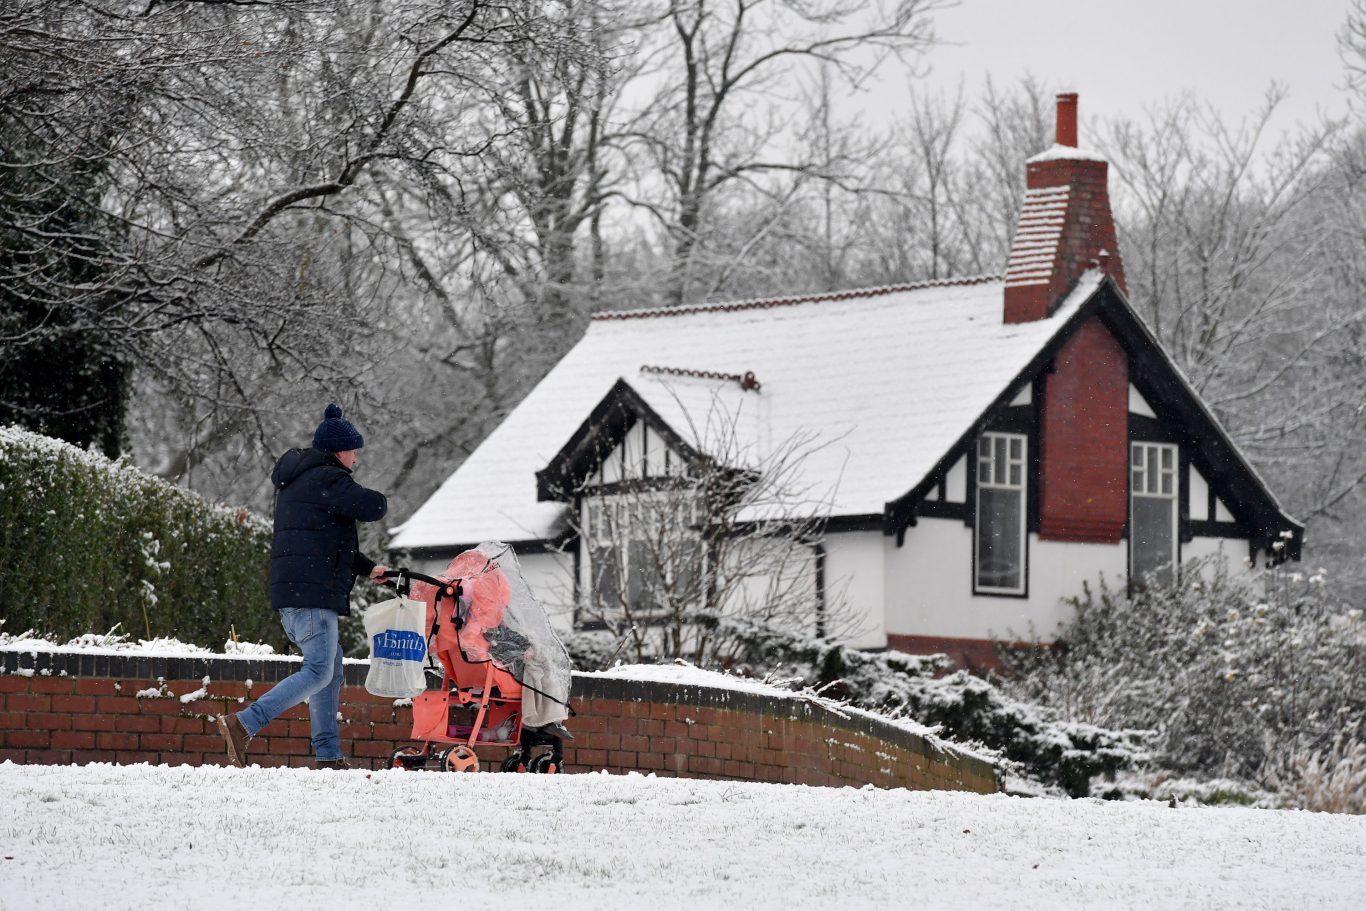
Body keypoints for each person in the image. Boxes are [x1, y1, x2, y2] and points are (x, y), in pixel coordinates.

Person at [216, 403, 388, 769]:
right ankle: (244, 723)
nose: (356, 459)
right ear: (340, 451)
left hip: (295, 593)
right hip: (312, 596)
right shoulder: (328, 479)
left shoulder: (300, 481)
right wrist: (380, 498)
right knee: (319, 671)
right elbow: (373, 506)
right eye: (354, 451)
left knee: (330, 668)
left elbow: (328, 544)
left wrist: (370, 569)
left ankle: (328, 755)